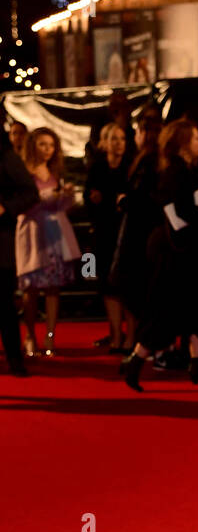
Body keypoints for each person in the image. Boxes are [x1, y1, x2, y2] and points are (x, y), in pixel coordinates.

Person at [121, 117, 198, 390]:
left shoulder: (190, 170)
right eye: (197, 138)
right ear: (183, 144)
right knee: (166, 314)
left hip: (190, 252)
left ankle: (197, 365)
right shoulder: (176, 173)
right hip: (178, 256)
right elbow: (176, 212)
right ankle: (136, 362)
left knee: (197, 311)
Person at [16, 127, 80, 357]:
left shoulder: (55, 172)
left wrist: (65, 197)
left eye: (51, 145)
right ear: (33, 145)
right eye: (42, 144)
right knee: (30, 290)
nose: (47, 150)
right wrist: (44, 198)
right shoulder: (24, 171)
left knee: (53, 289)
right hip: (33, 235)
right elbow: (20, 203)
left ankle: (50, 336)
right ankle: (30, 335)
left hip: (55, 235)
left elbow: (60, 206)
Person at [107, 113, 160, 350]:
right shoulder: (146, 161)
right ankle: (144, 341)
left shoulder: (149, 162)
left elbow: (144, 201)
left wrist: (125, 201)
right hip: (141, 232)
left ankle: (146, 342)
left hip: (138, 234)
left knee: (132, 286)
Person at [85, 121, 131, 352]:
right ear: (104, 142)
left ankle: (131, 337)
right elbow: (88, 198)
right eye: (113, 139)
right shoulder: (97, 167)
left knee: (128, 284)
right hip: (104, 232)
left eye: (122, 139)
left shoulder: (132, 165)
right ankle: (115, 334)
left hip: (127, 231)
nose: (118, 144)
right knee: (107, 284)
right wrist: (94, 199)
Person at [0, 124, 38, 375]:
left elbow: (30, 193)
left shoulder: (6, 157)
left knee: (3, 303)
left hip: (0, 240)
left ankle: (15, 358)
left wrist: (5, 208)